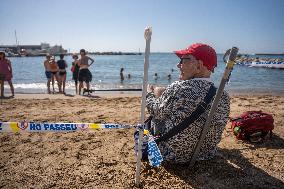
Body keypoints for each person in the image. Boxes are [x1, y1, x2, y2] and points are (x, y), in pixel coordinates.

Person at [146, 43, 230, 164]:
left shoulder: (179, 88)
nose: (178, 64)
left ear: (199, 66)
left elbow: (155, 111)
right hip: (205, 154)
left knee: (157, 93)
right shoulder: (223, 96)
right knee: (161, 92)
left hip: (172, 154)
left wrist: (149, 93)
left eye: (183, 60)